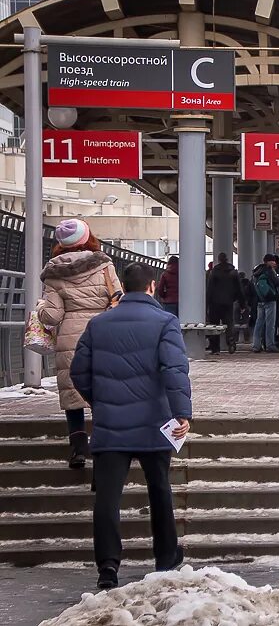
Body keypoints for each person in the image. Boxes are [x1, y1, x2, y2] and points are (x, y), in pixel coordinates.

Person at [70, 262, 191, 590]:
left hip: (111, 426)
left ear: (123, 288)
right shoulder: (166, 322)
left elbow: (78, 371)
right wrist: (182, 413)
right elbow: (174, 370)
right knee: (159, 489)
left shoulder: (98, 324)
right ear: (152, 287)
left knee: (107, 498)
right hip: (154, 422)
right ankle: (166, 557)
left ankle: (108, 567)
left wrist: (101, 399)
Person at [36, 219, 123, 469]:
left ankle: (77, 449)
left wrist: (42, 309)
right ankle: (102, 446)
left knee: (73, 393)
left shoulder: (53, 272)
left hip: (70, 338)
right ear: (88, 239)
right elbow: (117, 298)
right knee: (101, 392)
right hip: (102, 335)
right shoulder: (104, 265)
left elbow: (52, 316)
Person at [205, 253, 245, 355]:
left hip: (214, 303)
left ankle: (215, 348)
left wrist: (206, 304)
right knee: (229, 323)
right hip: (228, 302)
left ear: (218, 260)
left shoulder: (214, 272)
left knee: (214, 325)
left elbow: (209, 289)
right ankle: (231, 343)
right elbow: (239, 289)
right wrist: (242, 304)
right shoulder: (233, 272)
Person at [251, 255, 279, 353]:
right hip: (270, 299)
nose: (274, 263)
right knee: (270, 324)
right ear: (268, 262)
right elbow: (277, 282)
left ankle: (256, 345)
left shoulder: (256, 271)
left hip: (260, 300)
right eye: (273, 261)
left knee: (259, 323)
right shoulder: (269, 270)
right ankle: (270, 345)